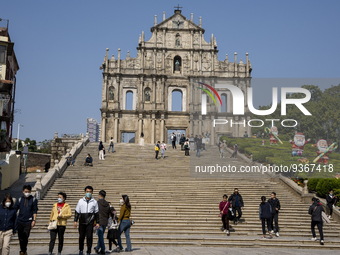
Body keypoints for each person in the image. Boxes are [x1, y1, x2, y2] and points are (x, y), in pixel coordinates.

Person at [74, 186, 100, 255]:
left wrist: (97, 222)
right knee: (81, 237)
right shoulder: (80, 201)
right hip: (82, 221)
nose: (88, 193)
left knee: (89, 237)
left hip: (90, 222)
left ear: (92, 192)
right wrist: (75, 221)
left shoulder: (94, 202)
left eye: (90, 192)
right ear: (85, 192)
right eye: (87, 192)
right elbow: (77, 211)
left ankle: (88, 251)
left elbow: (97, 213)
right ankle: (81, 250)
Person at [14, 184, 38, 255]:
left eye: (28, 191)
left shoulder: (33, 200)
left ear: (30, 191)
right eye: (25, 191)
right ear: (23, 191)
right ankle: (23, 250)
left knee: (26, 236)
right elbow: (15, 209)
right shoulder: (20, 199)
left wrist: (34, 220)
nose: (27, 193)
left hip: (28, 221)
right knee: (20, 237)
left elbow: (34, 211)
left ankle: (23, 251)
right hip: (20, 220)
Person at [94, 190, 112, 255]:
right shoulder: (107, 204)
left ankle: (103, 249)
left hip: (99, 222)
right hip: (105, 222)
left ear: (100, 195)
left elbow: (95, 212)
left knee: (100, 236)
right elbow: (108, 213)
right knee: (101, 235)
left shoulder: (97, 203)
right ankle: (97, 247)